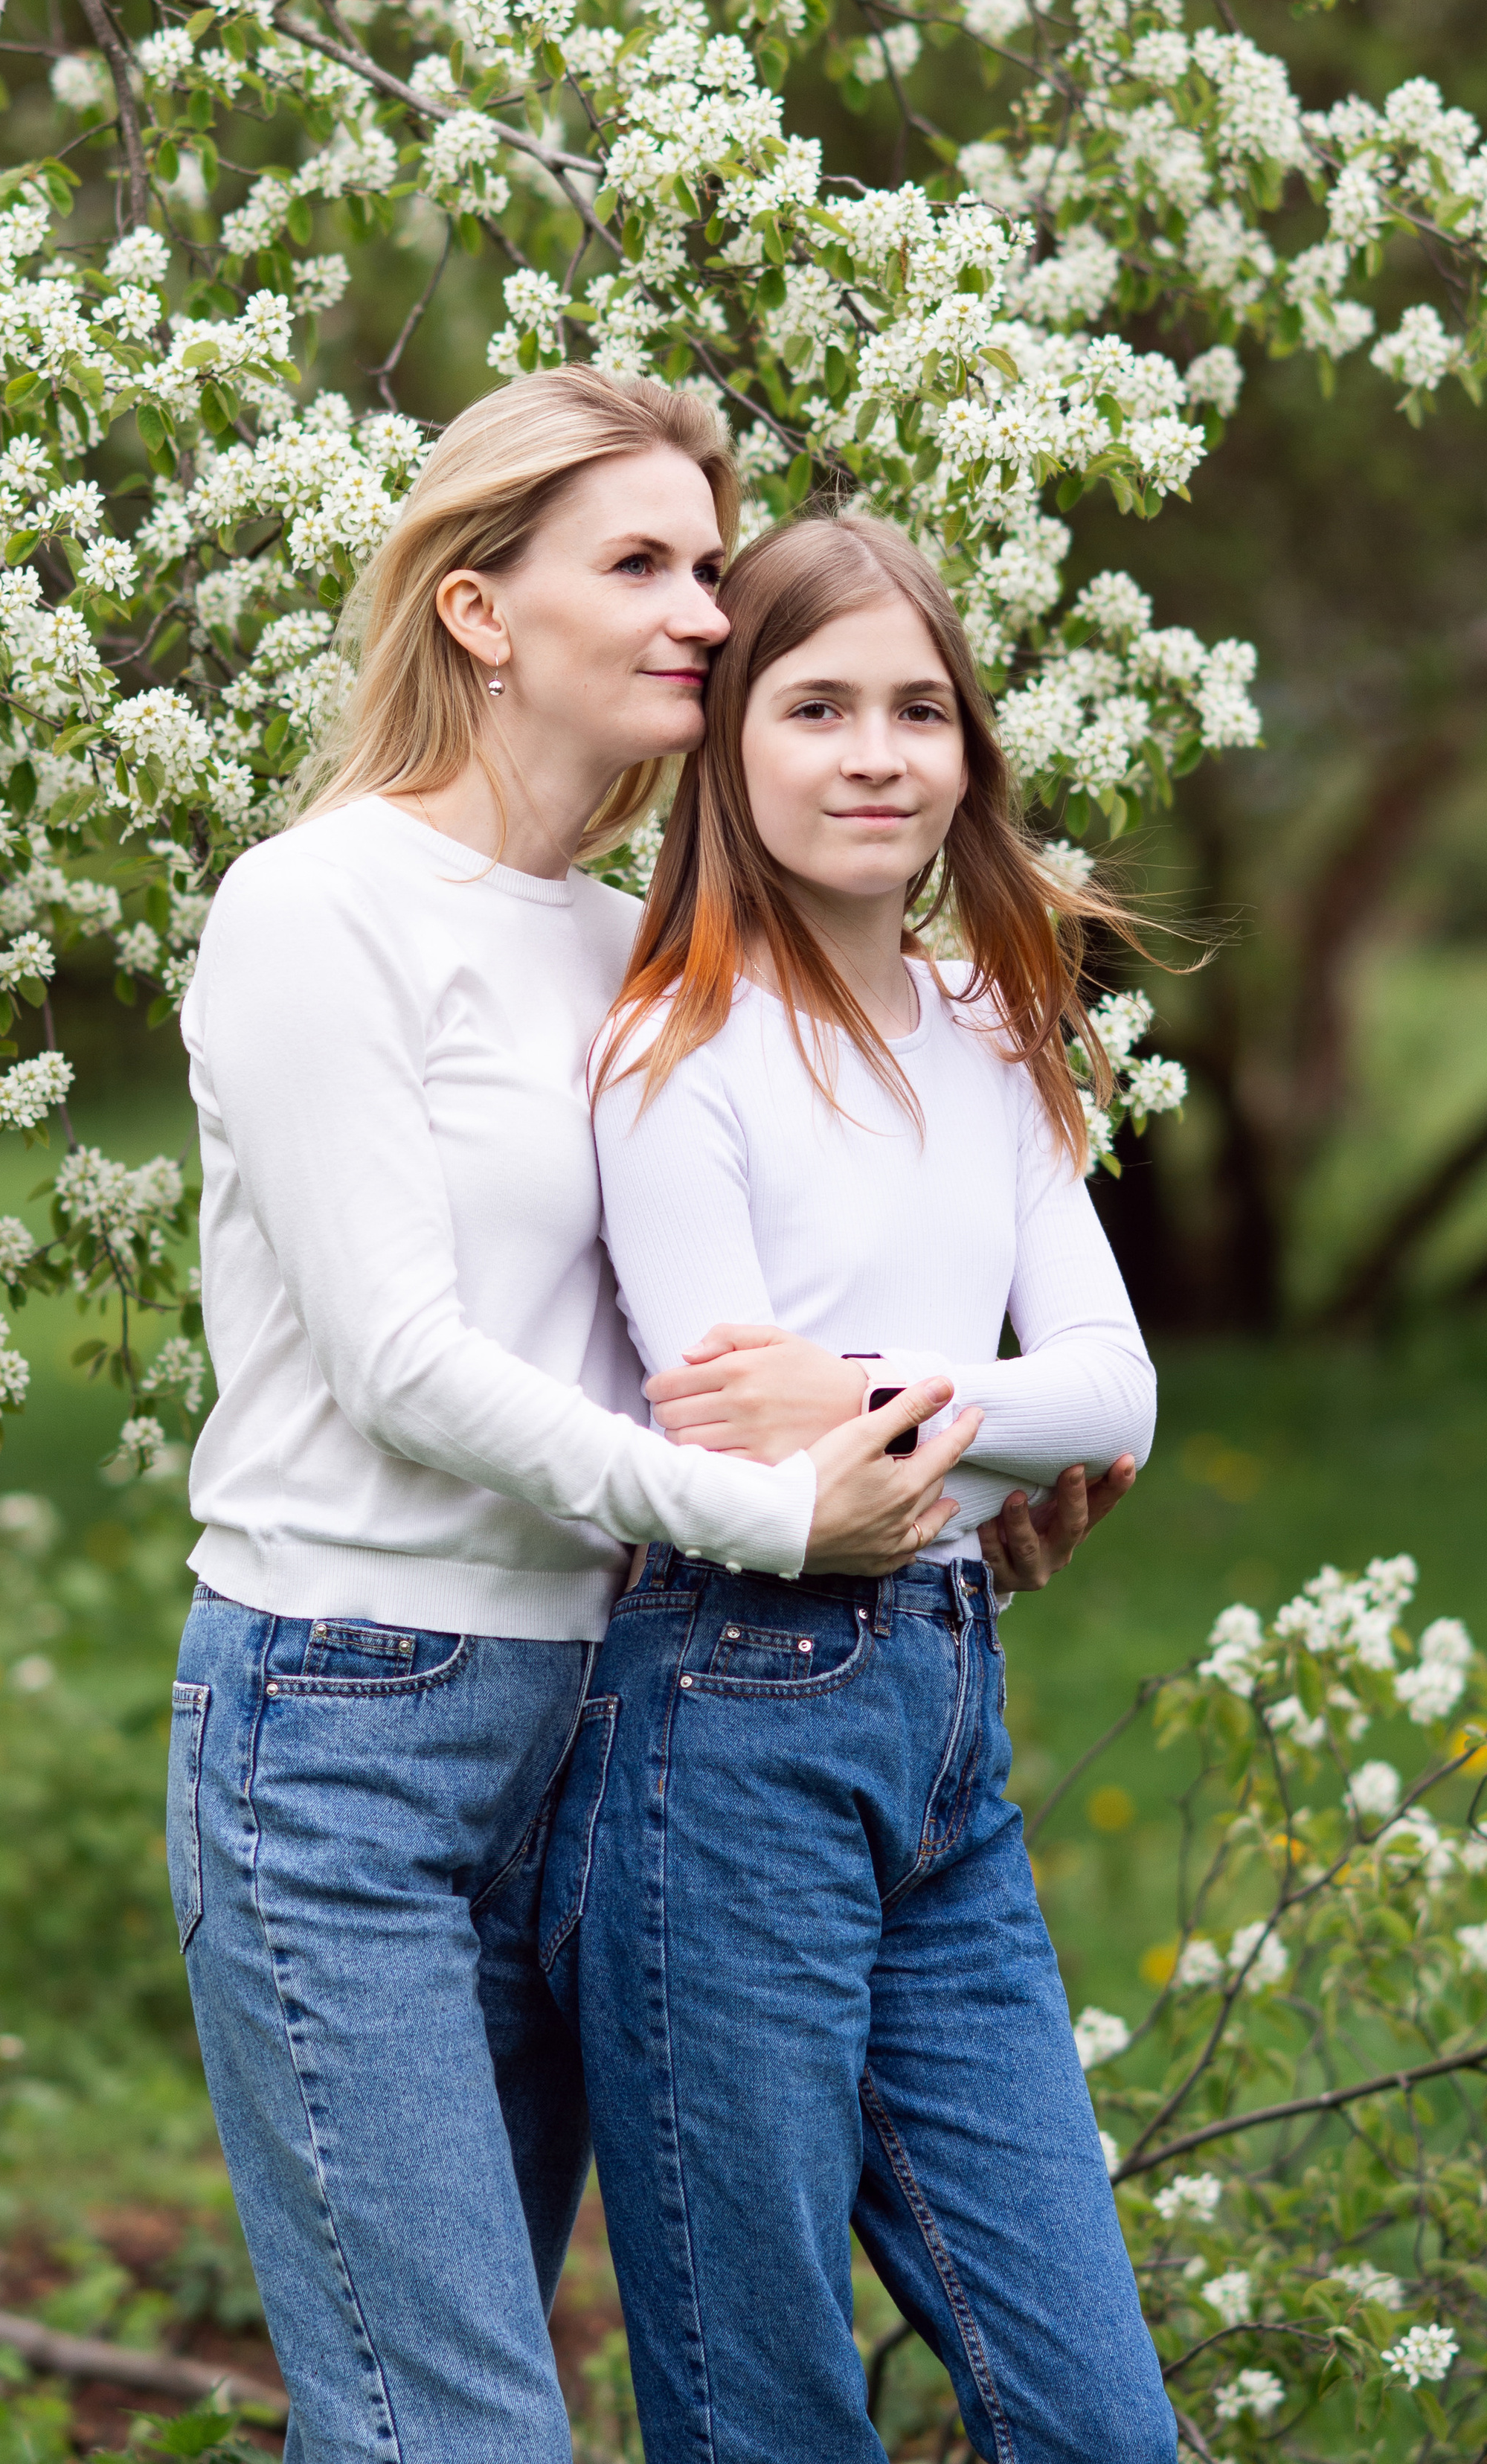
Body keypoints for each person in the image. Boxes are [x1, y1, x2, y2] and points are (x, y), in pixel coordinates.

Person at [164, 373, 990, 2464]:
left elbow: (730, 1302)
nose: (705, 610)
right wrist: (768, 1513)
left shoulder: (627, 943)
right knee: (453, 2427)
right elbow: (403, 1366)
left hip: (603, 1724)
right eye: (639, 564)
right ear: (475, 609)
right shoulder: (316, 908)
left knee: (457, 2397)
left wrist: (952, 1446)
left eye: (709, 562)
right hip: (338, 1730)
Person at [545, 510, 1178, 2464]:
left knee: (1099, 2426)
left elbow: (1116, 1390)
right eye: (817, 707)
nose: (879, 754)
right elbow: (751, 1436)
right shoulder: (677, 1050)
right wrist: (972, 1415)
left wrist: (886, 1389)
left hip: (942, 1730)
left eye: (922, 709)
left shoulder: (990, 1022)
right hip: (724, 1734)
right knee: (766, 2414)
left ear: (972, 751)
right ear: (726, 742)